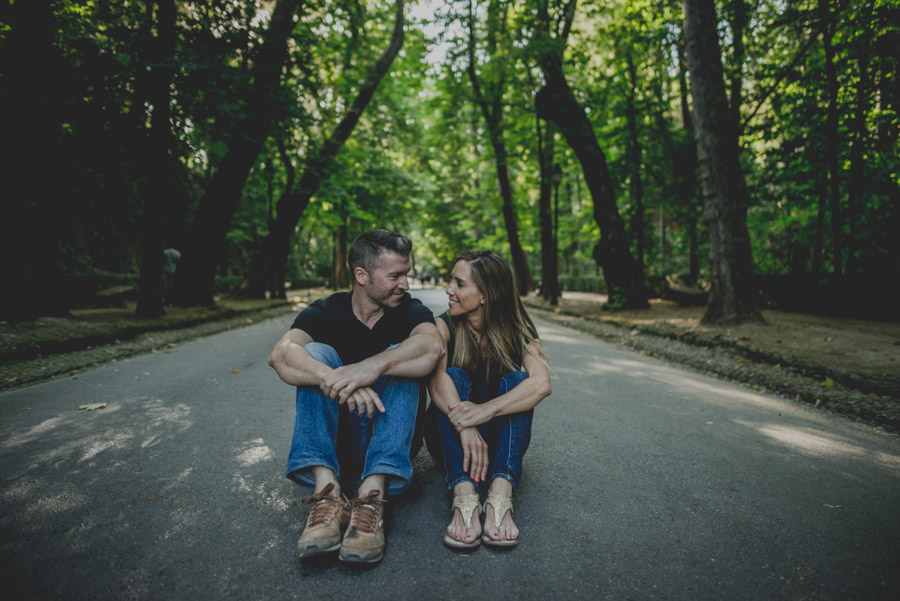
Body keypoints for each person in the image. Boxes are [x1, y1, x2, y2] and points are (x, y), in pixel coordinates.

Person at [268, 229, 442, 564]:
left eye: (405, 274)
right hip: (340, 444)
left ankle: (371, 496)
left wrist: (373, 367)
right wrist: (336, 378)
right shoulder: (326, 310)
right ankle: (327, 493)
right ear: (362, 276)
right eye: (395, 276)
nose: (405, 284)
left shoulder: (410, 311)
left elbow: (432, 347)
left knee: (405, 357)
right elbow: (281, 354)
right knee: (312, 353)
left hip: (390, 443)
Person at [427, 250, 551, 549]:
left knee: (519, 382)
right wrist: (466, 425)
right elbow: (434, 379)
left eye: (459, 284)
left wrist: (485, 411)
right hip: (450, 437)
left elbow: (541, 384)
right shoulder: (442, 326)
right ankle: (463, 492)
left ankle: (501, 492)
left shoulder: (518, 330)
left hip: (498, 439)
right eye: (451, 282)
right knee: (452, 375)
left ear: (485, 295)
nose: (449, 290)